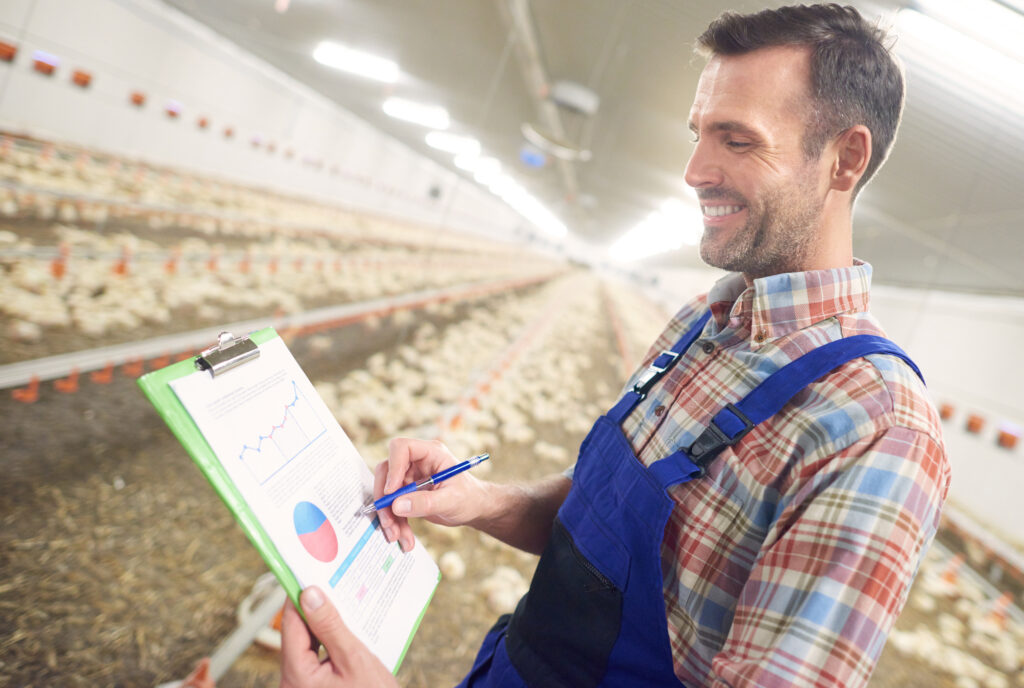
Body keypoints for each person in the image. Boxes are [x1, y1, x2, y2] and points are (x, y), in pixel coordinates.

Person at [280, 4, 951, 687]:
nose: (694, 169)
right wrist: (480, 502)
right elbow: (607, 528)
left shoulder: (876, 428)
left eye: (737, 141)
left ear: (845, 158)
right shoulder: (703, 321)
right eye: (698, 134)